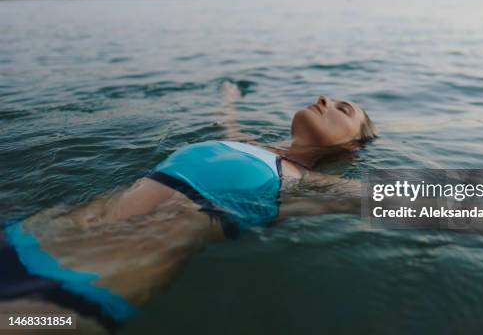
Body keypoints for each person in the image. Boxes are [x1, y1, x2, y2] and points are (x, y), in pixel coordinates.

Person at [0, 82, 377, 334]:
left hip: (86, 279)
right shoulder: (251, 146)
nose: (325, 99)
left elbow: (412, 200)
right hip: (33, 236)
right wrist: (229, 95)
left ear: (352, 147)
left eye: (343, 110)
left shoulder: (303, 183)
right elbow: (226, 121)